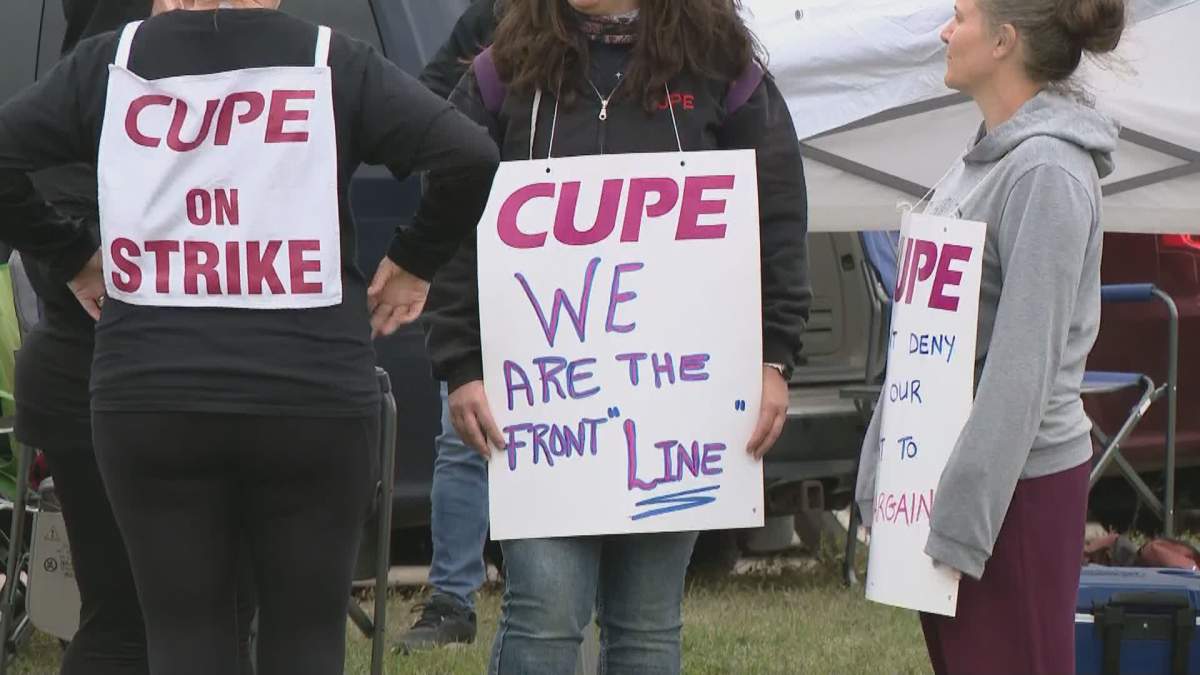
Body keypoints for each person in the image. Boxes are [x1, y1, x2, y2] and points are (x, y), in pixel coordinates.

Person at [0, 1, 498, 673]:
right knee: (304, 637)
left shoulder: (114, 62)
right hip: (310, 397)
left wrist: (69, 254)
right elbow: (469, 153)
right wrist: (415, 260)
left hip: (153, 398)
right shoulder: (331, 59)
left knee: (181, 637)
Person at [420, 0, 811, 671]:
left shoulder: (720, 62)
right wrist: (461, 362)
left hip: (679, 411)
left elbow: (776, 211)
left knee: (648, 624)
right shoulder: (503, 70)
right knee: (544, 609)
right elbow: (450, 209)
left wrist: (776, 355)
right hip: (541, 413)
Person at [854, 0, 1124, 672]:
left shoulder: (1048, 173)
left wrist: (958, 518)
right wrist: (884, 474)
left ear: (1004, 41)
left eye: (961, 16)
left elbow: (1022, 372)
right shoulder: (984, 160)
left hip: (1013, 494)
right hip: (953, 486)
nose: (947, 31)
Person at [14, 2, 254, 673]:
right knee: (127, 622)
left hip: (204, 388)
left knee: (215, 617)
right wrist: (79, 259)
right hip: (109, 387)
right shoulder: (102, 78)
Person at [396, 0, 501, 652]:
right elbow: (431, 100)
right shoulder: (495, 13)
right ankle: (451, 602)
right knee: (462, 435)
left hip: (597, 265)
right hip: (497, 250)